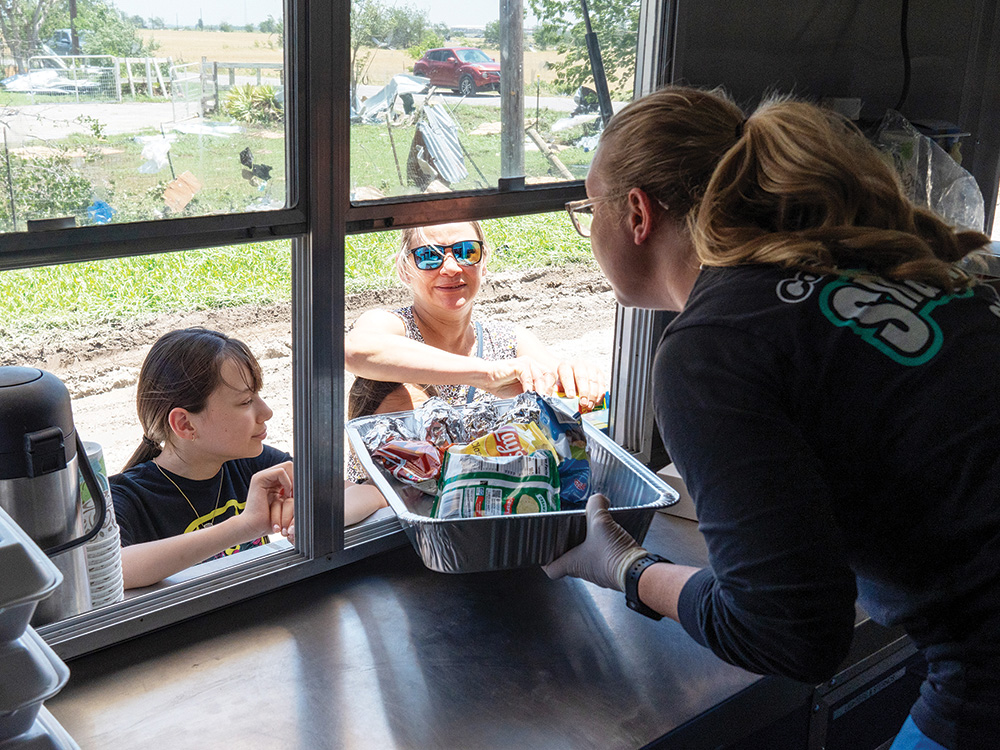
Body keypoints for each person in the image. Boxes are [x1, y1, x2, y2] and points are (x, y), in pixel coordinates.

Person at [543, 86, 999, 750]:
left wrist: (625, 568)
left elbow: (788, 632)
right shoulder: (856, 266)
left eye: (588, 209)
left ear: (636, 213)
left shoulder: (711, 344)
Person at [111, 328, 384, 590]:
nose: (266, 411)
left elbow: (371, 494)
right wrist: (245, 526)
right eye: (245, 402)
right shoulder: (126, 497)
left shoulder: (255, 465)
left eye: (258, 396)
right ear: (185, 424)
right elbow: (110, 571)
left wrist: (312, 516)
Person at [344, 220, 606, 414]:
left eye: (467, 252)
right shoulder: (390, 325)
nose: (450, 268)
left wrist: (577, 377)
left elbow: (562, 389)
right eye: (428, 257)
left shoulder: (511, 342)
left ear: (484, 262)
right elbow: (355, 350)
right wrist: (486, 375)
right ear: (404, 270)